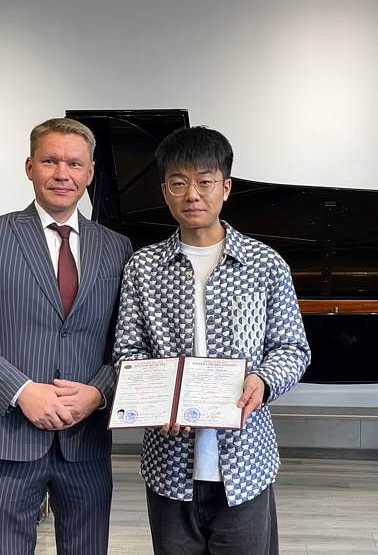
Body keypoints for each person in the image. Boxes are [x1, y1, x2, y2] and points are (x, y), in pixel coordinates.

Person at [0, 118, 132, 555]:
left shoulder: (117, 247)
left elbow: (127, 343)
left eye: (74, 164)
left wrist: (98, 393)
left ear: (90, 173)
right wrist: (22, 390)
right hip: (8, 437)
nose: (62, 173)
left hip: (85, 440)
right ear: (29, 167)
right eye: (50, 161)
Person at [113, 126, 310, 555]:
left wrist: (263, 381)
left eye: (204, 181)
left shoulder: (265, 264)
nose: (192, 195)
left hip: (245, 460)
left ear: (226, 187)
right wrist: (154, 399)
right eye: (178, 183)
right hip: (168, 463)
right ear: (164, 191)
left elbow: (292, 348)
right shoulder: (142, 267)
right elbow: (128, 351)